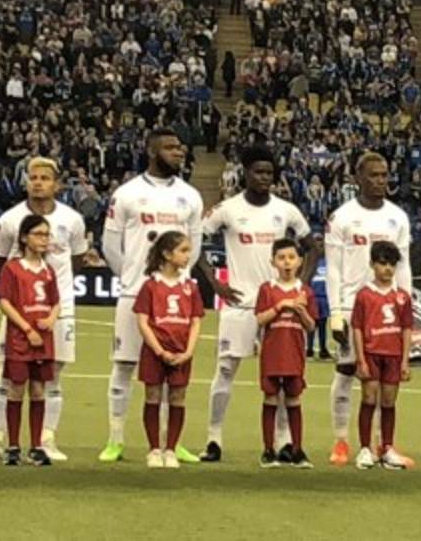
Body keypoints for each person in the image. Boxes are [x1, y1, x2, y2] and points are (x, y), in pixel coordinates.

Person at [196, 146, 315, 463]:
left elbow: (311, 246)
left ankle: (284, 442)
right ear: (245, 173)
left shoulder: (286, 211)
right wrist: (214, 282)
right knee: (225, 371)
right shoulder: (227, 209)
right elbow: (196, 240)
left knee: (281, 379)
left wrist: (300, 282)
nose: (263, 178)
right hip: (239, 304)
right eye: (257, 172)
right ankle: (214, 439)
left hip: (281, 308)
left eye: (269, 173)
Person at [99, 128, 203, 464]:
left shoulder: (191, 196)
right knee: (125, 365)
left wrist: (177, 277)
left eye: (180, 146)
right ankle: (115, 438)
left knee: (176, 372)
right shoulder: (127, 193)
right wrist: (133, 278)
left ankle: (172, 443)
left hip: (176, 296)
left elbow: (195, 246)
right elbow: (111, 246)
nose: (179, 151)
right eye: (171, 147)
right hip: (136, 293)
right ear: (151, 150)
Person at [0, 158, 87, 462]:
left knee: (52, 377)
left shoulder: (73, 220)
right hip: (19, 314)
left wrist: (56, 300)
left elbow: (75, 262)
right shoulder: (10, 220)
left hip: (58, 311)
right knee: (6, 376)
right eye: (33, 177)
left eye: (45, 178)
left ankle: (46, 438)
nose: (38, 182)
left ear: (57, 184)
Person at [324, 153, 412, 466]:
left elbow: (404, 267)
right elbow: (333, 268)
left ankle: (380, 444)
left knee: (383, 382)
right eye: (373, 175)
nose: (380, 181)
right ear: (358, 177)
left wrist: (406, 303)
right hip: (351, 303)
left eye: (384, 175)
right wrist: (335, 311)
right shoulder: (342, 217)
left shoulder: (398, 217)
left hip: (388, 305)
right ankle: (341, 440)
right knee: (348, 371)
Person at [0, 214, 61, 467]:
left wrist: (52, 319)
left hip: (44, 339)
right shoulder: (13, 268)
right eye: (39, 234)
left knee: (38, 389)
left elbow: (55, 301)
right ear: (24, 238)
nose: (44, 240)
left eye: (47, 234)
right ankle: (12, 445)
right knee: (16, 388)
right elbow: (4, 302)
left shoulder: (48, 271)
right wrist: (25, 327)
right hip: (20, 339)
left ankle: (36, 445)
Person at [133, 231, 205, 469]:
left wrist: (189, 351)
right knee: (152, 395)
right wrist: (159, 350)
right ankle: (154, 448)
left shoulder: (190, 287)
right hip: (156, 351)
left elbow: (196, 321)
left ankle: (171, 449)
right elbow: (143, 321)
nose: (187, 256)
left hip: (181, 351)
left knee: (178, 397)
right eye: (183, 250)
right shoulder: (151, 285)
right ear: (166, 254)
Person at [254, 238, 317, 468]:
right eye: (281, 258)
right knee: (270, 396)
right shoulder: (267, 289)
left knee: (293, 398)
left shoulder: (305, 291)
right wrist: (281, 306)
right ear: (273, 262)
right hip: (272, 352)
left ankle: (298, 449)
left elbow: (311, 326)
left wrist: (300, 311)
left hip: (294, 352)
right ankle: (268, 450)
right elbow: (260, 319)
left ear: (300, 261)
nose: (287, 262)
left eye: (291, 257)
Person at [350, 241, 413, 470]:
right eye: (382, 263)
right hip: (372, 352)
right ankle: (365, 448)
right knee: (368, 399)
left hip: (393, 355)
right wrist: (361, 358)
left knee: (389, 401)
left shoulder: (403, 296)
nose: (387, 269)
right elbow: (357, 327)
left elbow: (407, 328)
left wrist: (406, 359)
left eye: (392, 264)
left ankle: (387, 448)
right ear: (373, 265)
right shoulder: (365, 295)